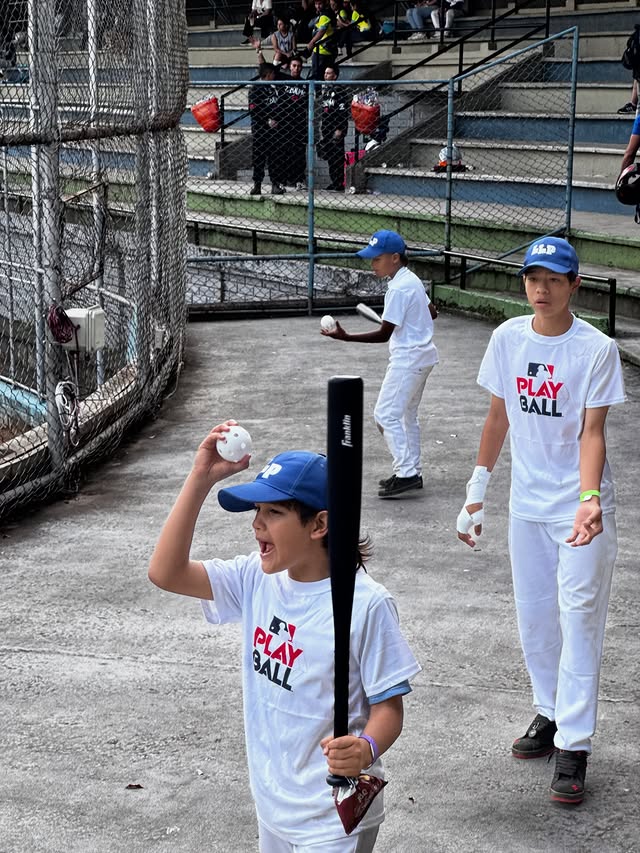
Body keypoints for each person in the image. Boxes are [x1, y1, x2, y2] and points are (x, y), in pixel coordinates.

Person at [148, 423, 421, 851]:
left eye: (273, 513)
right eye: (257, 511)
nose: (256, 524)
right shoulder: (254, 579)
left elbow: (389, 707)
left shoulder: (366, 605)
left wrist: (366, 748)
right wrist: (200, 477)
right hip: (273, 803)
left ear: (319, 524)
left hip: (333, 814)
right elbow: (166, 572)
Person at [456, 236, 626, 806]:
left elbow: (592, 431)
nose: (542, 289)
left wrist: (589, 496)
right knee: (536, 617)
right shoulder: (507, 338)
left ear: (575, 284)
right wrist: (477, 490)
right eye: (533, 278)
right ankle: (550, 712)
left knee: (579, 620)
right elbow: (498, 414)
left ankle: (575, 744)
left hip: (580, 509)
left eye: (555, 278)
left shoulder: (595, 349)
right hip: (527, 505)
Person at [321, 230, 439, 498]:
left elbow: (385, 334)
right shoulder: (411, 280)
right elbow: (432, 312)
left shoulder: (399, 288)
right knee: (407, 416)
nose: (372, 263)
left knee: (385, 415)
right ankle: (412, 471)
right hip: (424, 356)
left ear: (395, 258)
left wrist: (346, 337)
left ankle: (406, 473)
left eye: (377, 259)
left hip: (408, 360)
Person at [248, 63, 286, 196]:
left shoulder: (275, 88)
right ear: (268, 74)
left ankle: (275, 184)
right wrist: (267, 120)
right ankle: (257, 184)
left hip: (275, 130)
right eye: (272, 73)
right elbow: (254, 110)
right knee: (258, 157)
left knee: (275, 157)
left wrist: (278, 119)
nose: (274, 76)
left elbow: (281, 106)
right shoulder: (255, 89)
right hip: (260, 129)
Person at [317, 64, 349, 191]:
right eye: (325, 73)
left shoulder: (339, 91)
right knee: (330, 157)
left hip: (336, 130)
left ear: (335, 76)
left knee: (337, 157)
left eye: (329, 73)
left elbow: (342, 112)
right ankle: (334, 181)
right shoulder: (326, 91)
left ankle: (339, 182)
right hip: (327, 129)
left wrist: (340, 129)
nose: (326, 75)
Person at [306, 0, 337, 80]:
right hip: (327, 49)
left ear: (325, 3)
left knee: (317, 74)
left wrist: (312, 42)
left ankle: (317, 91)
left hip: (323, 49)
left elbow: (322, 31)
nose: (318, 6)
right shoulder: (323, 14)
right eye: (316, 4)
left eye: (320, 4)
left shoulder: (325, 15)